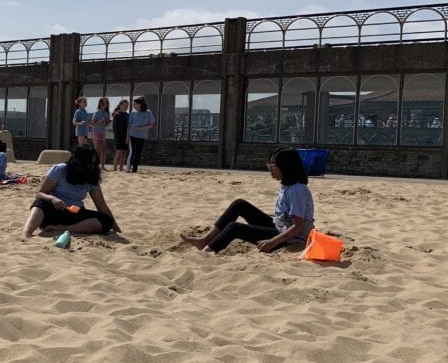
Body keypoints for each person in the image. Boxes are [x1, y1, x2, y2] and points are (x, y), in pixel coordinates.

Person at [182, 147, 314, 254]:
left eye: (273, 165)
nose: (269, 168)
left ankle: (206, 253)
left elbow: (298, 226)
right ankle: (205, 240)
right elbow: (285, 216)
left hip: (292, 238)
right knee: (239, 204)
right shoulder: (287, 187)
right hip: (280, 227)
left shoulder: (297, 190)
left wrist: (272, 242)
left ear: (285, 166)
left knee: (234, 227)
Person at [22, 144, 120, 239]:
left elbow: (101, 205)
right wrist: (52, 199)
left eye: (93, 164)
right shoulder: (60, 169)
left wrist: (116, 228)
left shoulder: (92, 176)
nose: (91, 167)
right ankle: (26, 233)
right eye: (88, 163)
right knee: (40, 203)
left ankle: (62, 229)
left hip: (75, 213)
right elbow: (40, 194)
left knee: (106, 220)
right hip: (54, 210)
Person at [127, 96, 155, 173]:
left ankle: (134, 170)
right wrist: (127, 136)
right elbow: (129, 125)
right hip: (132, 135)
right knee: (131, 152)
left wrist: (143, 128)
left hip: (142, 136)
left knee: (138, 153)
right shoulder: (133, 113)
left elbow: (152, 125)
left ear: (139, 104)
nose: (133, 105)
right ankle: (128, 169)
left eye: (134, 104)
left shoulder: (149, 112)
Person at [111, 99, 129, 172]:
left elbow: (128, 127)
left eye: (127, 106)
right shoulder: (117, 114)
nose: (126, 107)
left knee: (124, 153)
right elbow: (115, 128)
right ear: (120, 105)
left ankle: (121, 168)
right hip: (118, 137)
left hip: (126, 137)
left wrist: (127, 137)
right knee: (118, 152)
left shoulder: (127, 115)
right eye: (124, 106)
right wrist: (117, 138)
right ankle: (115, 169)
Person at [90, 98, 111, 163]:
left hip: (103, 133)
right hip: (96, 132)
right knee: (97, 150)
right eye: (103, 102)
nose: (105, 104)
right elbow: (92, 124)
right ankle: (94, 165)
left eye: (106, 102)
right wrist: (100, 121)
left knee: (103, 151)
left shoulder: (107, 113)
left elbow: (106, 124)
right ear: (100, 103)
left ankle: (102, 166)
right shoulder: (96, 112)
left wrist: (108, 122)